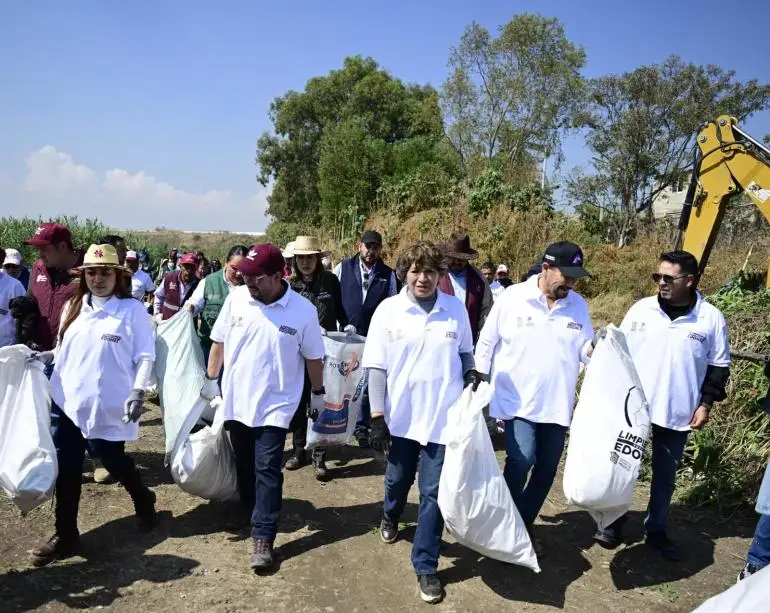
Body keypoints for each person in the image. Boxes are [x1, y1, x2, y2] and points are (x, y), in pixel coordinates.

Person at [595, 251, 730, 561]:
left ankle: (655, 529)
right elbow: (617, 351)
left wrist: (705, 404)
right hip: (633, 410)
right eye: (658, 277)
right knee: (623, 468)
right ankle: (613, 522)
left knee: (665, 476)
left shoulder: (710, 318)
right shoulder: (642, 310)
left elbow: (718, 367)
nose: (661, 283)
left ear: (690, 280)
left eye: (669, 278)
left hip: (677, 411)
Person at [27, 244, 157, 567]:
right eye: (92, 272)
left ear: (119, 276)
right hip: (67, 402)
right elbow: (60, 350)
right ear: (83, 275)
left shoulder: (132, 311)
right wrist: (44, 357)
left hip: (107, 404)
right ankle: (66, 534)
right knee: (68, 468)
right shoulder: (73, 305)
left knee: (111, 458)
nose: (98, 278)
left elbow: (145, 356)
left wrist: (139, 391)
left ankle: (143, 497)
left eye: (106, 272)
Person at [200, 243, 326, 571]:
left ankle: (264, 535)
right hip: (237, 400)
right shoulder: (238, 299)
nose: (249, 283)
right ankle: (248, 509)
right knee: (244, 462)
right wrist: (212, 379)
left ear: (278, 274)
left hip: (277, 404)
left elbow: (314, 357)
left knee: (268, 467)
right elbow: (219, 341)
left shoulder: (302, 311)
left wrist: (318, 392)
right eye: (245, 276)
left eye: (257, 278)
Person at [363, 241, 475, 604]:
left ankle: (426, 565)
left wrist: (472, 372)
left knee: (434, 494)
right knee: (397, 481)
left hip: (444, 421)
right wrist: (377, 417)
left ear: (439, 274)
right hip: (401, 420)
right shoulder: (388, 311)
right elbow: (376, 368)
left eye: (429, 271)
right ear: (404, 274)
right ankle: (390, 515)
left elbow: (464, 352)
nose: (422, 278)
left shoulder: (454, 309)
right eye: (415, 271)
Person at [473, 241, 594, 553]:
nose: (570, 283)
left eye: (575, 278)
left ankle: (521, 524)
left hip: (557, 404)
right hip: (517, 401)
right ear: (545, 268)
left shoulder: (578, 305)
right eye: (565, 276)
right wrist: (478, 383)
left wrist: (598, 350)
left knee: (547, 468)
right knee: (522, 459)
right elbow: (487, 342)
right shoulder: (514, 298)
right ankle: (503, 524)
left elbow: (585, 348)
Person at [286, 236, 353, 480]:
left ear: (318, 259)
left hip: (326, 353)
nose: (305, 263)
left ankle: (319, 455)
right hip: (297, 353)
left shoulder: (331, 281)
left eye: (309, 258)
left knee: (320, 402)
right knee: (299, 402)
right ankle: (298, 450)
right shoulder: (290, 286)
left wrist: (347, 325)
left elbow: (340, 309)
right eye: (301, 258)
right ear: (295, 260)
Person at [334, 230, 398, 446]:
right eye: (367, 246)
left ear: (380, 249)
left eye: (375, 247)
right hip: (347, 337)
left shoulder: (388, 274)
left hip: (374, 339)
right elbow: (334, 297)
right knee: (345, 382)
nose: (371, 251)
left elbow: (392, 306)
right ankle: (343, 425)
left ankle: (363, 428)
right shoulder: (343, 268)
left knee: (367, 384)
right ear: (358, 246)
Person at [24, 223, 84, 352]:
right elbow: (31, 300)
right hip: (37, 355)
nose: (40, 254)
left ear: (62, 246)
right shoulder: (38, 267)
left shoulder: (90, 271)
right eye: (38, 249)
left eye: (44, 249)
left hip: (71, 355)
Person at [186, 245, 247, 363]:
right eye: (235, 268)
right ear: (226, 263)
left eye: (243, 269)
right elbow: (194, 304)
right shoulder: (208, 282)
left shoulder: (251, 286)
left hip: (238, 353)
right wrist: (190, 308)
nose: (239, 273)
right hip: (208, 350)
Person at [437, 232, 493, 345]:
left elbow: (486, 311)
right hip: (439, 341)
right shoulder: (436, 274)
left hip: (467, 342)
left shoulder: (479, 279)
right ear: (447, 256)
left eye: (461, 259)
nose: (457, 262)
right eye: (454, 258)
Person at [153, 252, 200, 321]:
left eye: (192, 268)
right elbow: (158, 296)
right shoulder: (169, 277)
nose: (188, 272)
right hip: (166, 323)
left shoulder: (199, 285)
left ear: (196, 269)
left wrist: (194, 309)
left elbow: (200, 306)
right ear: (180, 266)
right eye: (186, 268)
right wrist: (157, 313)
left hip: (186, 326)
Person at [0, 247, 26, 347]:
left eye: (14, 266)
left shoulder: (15, 285)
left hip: (6, 347)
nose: (11, 269)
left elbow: (23, 318)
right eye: (8, 266)